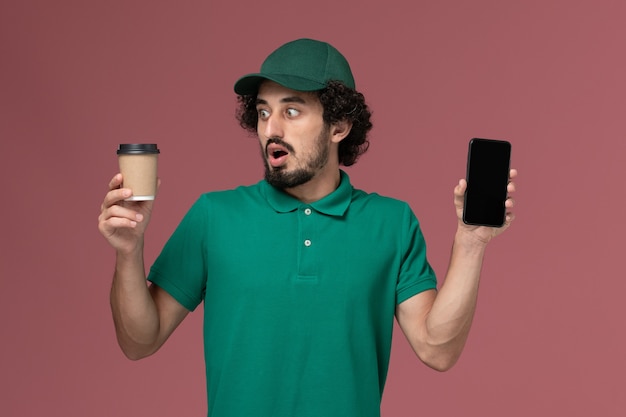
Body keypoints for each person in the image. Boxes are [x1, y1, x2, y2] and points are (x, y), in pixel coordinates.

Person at [98, 38, 517, 417]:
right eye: (263, 113)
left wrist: (471, 241)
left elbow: (437, 349)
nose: (271, 130)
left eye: (291, 110)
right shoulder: (214, 216)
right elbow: (139, 341)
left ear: (339, 126)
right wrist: (128, 251)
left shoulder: (391, 223)